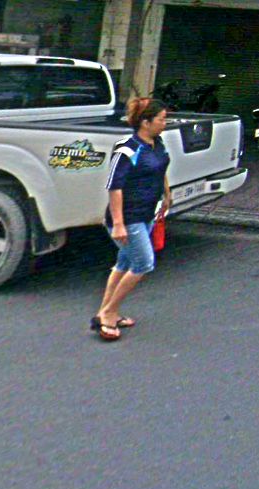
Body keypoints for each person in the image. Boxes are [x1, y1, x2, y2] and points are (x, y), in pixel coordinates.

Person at [91, 98, 171, 342]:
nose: (165, 124)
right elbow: (114, 187)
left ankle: (105, 312)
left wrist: (167, 193)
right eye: (161, 119)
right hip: (128, 217)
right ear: (146, 122)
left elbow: (161, 169)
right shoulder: (127, 149)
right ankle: (109, 313)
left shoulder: (157, 143)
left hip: (146, 214)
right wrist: (118, 224)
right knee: (144, 263)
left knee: (124, 262)